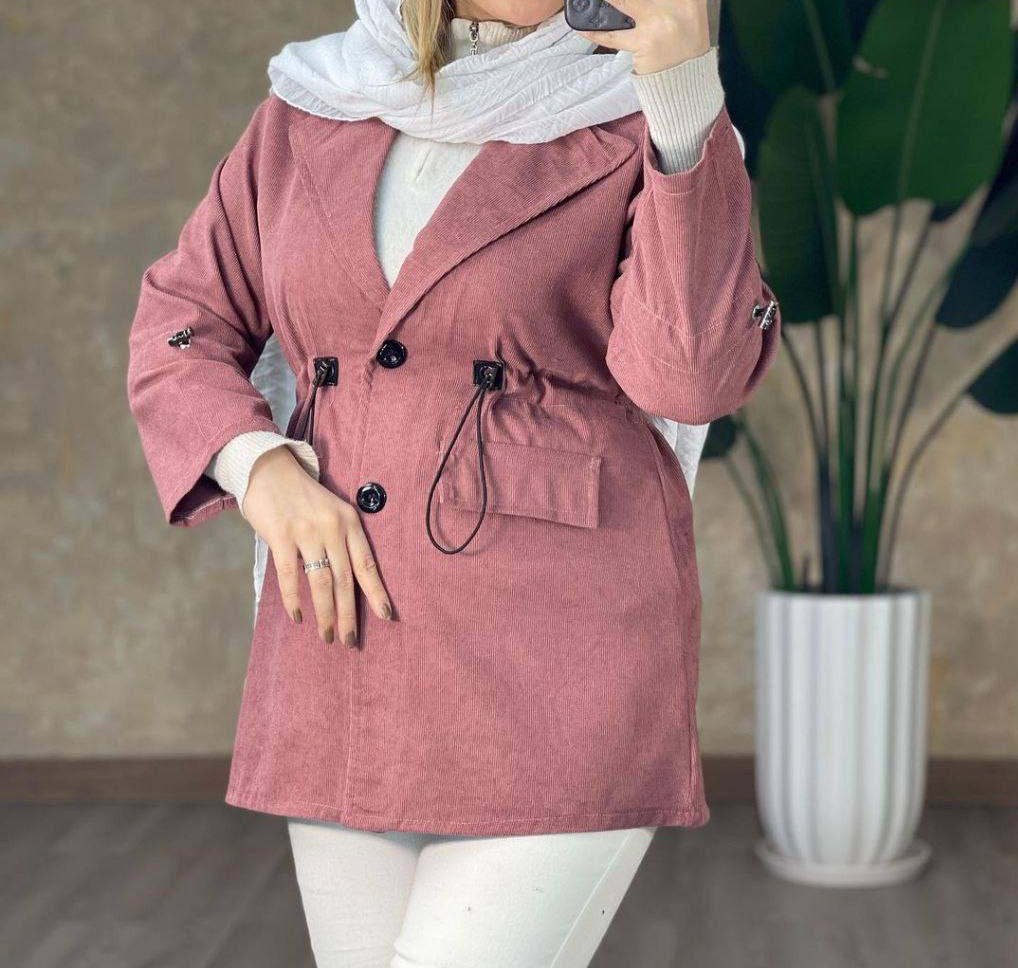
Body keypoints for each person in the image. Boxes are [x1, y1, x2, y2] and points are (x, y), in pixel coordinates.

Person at [126, 0, 781, 964]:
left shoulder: (645, 122)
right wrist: (257, 466)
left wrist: (683, 108)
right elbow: (180, 325)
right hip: (342, 652)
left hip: (559, 669)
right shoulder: (312, 106)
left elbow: (691, 379)